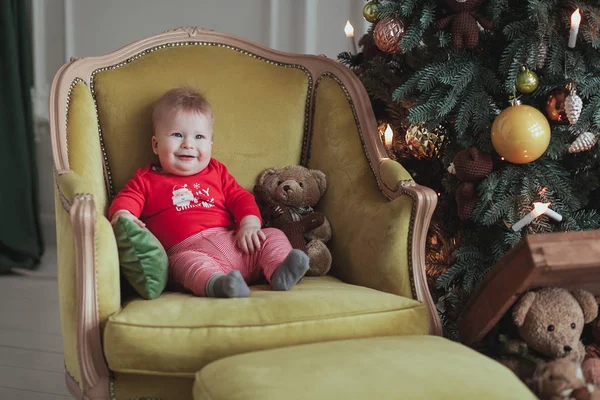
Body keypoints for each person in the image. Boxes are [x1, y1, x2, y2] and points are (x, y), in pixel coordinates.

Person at [108, 87, 309, 298]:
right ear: (156, 144)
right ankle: (220, 285)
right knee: (186, 265)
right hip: (188, 251)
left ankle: (280, 271)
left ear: (210, 144)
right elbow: (127, 199)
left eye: (199, 136)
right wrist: (124, 215)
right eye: (177, 135)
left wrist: (249, 224)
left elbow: (240, 198)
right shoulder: (146, 179)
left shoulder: (217, 171)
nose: (188, 144)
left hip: (237, 243)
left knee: (273, 236)